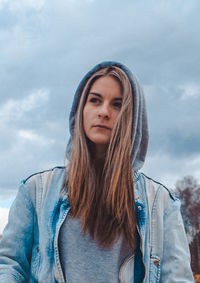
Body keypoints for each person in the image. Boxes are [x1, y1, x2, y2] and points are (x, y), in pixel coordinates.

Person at [0, 61, 194, 282]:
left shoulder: (161, 204)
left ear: (132, 119)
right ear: (80, 109)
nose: (103, 112)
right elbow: (10, 265)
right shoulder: (36, 192)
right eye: (95, 100)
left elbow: (177, 278)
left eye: (117, 104)